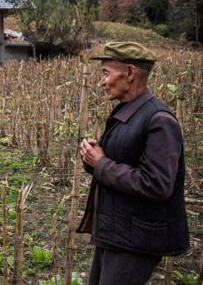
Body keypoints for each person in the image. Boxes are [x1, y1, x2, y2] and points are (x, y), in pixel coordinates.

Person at [77, 42, 189, 284]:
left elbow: (157, 184)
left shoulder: (159, 120)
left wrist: (101, 163)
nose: (102, 82)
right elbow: (118, 160)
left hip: (135, 241)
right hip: (115, 233)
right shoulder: (127, 114)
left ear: (129, 73)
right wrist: (92, 158)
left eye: (106, 73)